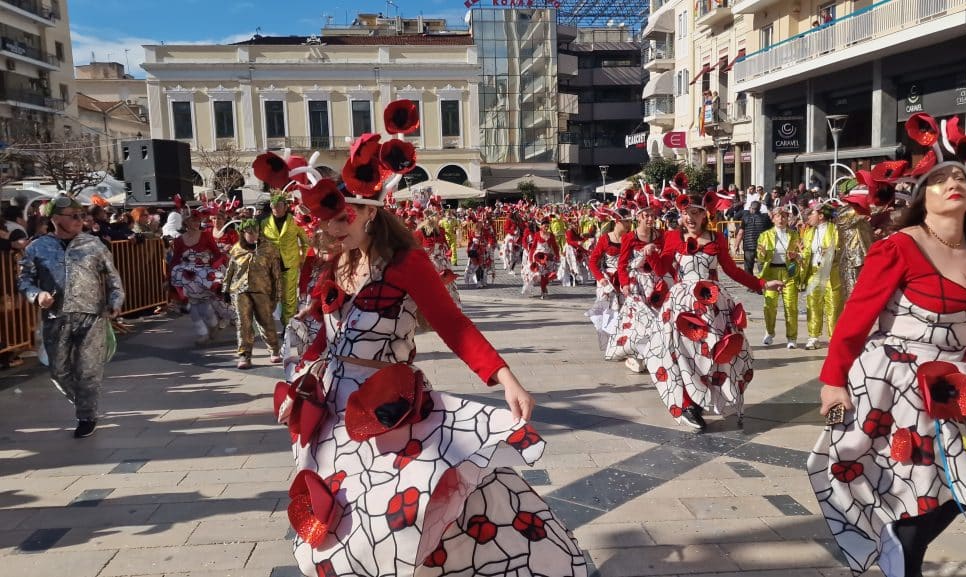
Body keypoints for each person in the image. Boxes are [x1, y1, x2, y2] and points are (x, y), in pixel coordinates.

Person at [257, 136, 585, 576]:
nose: (333, 229)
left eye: (342, 218)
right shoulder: (334, 266)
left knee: (406, 504)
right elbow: (321, 338)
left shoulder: (406, 263)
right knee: (340, 512)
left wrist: (506, 378)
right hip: (334, 411)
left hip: (389, 407)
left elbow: (455, 326)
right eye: (327, 221)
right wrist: (298, 384)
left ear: (370, 211)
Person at [809, 129, 966, 577]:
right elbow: (855, 317)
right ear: (923, 196)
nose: (953, 182)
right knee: (931, 480)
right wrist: (833, 381)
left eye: (961, 177)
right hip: (904, 382)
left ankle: (903, 543)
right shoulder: (900, 245)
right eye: (941, 177)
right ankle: (904, 549)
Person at [647, 193, 781, 430]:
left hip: (712, 304)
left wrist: (761, 284)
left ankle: (705, 397)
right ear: (682, 214)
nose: (691, 218)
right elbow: (662, 268)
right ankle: (688, 404)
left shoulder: (717, 237)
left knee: (714, 351)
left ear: (704, 215)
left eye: (696, 213)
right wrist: (651, 255)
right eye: (687, 213)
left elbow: (732, 271)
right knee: (682, 351)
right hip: (682, 305)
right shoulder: (671, 237)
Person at [17, 195, 124, 438]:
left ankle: (86, 416)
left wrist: (115, 303)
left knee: (88, 370)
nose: (79, 220)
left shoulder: (94, 245)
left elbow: (113, 279)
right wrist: (37, 294)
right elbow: (24, 280)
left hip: (92, 316)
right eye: (73, 216)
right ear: (55, 218)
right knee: (59, 370)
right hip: (56, 317)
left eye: (82, 216)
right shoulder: (36, 247)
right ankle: (84, 403)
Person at [606, 201, 668, 374]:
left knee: (658, 318)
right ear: (639, 217)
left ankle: (652, 352)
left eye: (652, 215)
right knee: (641, 320)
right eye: (646, 215)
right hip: (637, 284)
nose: (650, 218)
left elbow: (665, 259)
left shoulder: (660, 235)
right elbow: (622, 264)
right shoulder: (629, 238)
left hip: (656, 282)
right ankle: (636, 354)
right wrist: (624, 283)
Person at [222, 219, 283, 369]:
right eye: (250, 232)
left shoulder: (269, 248)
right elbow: (230, 271)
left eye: (256, 231)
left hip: (262, 290)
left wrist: (278, 294)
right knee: (244, 323)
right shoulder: (236, 249)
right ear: (243, 233)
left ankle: (274, 349)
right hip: (240, 290)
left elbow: (276, 274)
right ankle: (244, 355)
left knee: (266, 320)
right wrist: (225, 289)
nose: (253, 235)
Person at [168, 210, 230, 345]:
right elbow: (175, 259)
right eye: (193, 221)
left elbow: (217, 254)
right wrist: (170, 277)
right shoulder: (179, 240)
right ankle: (203, 332)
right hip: (187, 277)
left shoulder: (206, 236)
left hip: (204, 275)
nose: (196, 223)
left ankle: (214, 325)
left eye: (197, 221)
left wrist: (216, 270)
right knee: (194, 306)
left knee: (205, 304)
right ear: (186, 222)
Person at [800, 201, 843, 349]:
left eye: (812, 214)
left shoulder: (835, 229)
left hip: (831, 273)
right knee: (813, 305)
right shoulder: (809, 232)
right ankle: (813, 336)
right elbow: (806, 253)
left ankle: (834, 337)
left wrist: (832, 252)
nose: (809, 217)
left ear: (821, 215)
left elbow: (841, 249)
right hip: (814, 272)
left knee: (833, 306)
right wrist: (798, 256)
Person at [756, 207, 800, 348]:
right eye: (778, 216)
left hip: (789, 273)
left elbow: (802, 253)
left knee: (791, 306)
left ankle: (792, 337)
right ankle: (769, 332)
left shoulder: (794, 235)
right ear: (773, 218)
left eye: (784, 217)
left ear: (788, 219)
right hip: (771, 273)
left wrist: (797, 256)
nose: (781, 219)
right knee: (769, 305)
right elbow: (760, 257)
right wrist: (762, 253)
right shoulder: (765, 235)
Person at [587, 207, 629, 350]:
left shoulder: (630, 238)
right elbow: (592, 262)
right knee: (608, 313)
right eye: (626, 221)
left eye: (630, 221)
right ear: (617, 221)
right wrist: (601, 279)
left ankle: (621, 343)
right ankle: (609, 345)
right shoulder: (605, 238)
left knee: (624, 311)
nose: (629, 224)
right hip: (608, 280)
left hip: (624, 278)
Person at [262, 194, 308, 322]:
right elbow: (260, 243)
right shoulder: (265, 223)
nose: (275, 208)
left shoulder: (295, 221)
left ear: (286, 207)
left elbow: (305, 243)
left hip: (290, 264)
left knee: (289, 297)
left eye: (279, 205)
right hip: (271, 265)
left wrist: (302, 260)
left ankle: (288, 325)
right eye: (273, 205)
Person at [522, 218, 560, 298]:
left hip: (548, 257)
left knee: (546, 275)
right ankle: (540, 289)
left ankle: (543, 289)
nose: (546, 227)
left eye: (547, 226)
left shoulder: (551, 235)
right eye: (545, 226)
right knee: (538, 274)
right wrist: (531, 258)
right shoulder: (537, 234)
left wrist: (557, 255)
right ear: (541, 226)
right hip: (538, 257)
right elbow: (533, 247)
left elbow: (555, 247)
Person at [737, 200, 772, 274]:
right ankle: (763, 284)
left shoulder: (745, 218)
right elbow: (771, 230)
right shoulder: (765, 218)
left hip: (748, 247)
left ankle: (750, 284)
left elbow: (740, 233)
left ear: (751, 208)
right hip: (761, 246)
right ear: (759, 209)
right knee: (762, 268)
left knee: (748, 268)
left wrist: (736, 245)